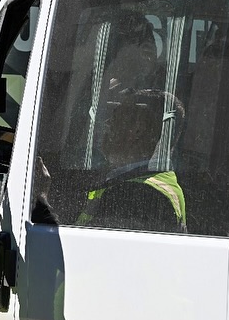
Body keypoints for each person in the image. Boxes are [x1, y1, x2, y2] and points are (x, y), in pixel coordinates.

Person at [76, 89, 187, 233]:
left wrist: (42, 203)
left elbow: (93, 250)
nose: (108, 122)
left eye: (117, 116)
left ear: (138, 129)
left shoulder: (137, 195)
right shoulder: (155, 182)